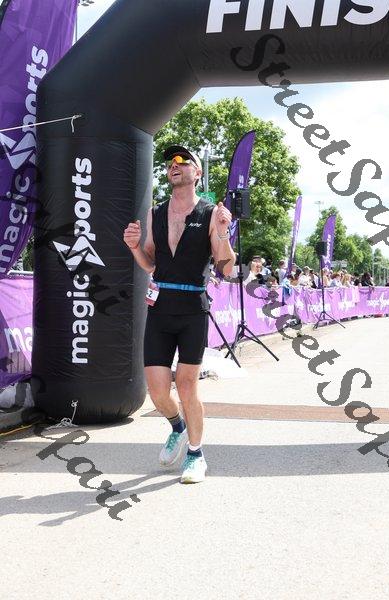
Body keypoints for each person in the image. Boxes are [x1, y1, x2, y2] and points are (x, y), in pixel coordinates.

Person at [123, 145, 235, 484]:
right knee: (157, 393)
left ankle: (196, 455)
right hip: (160, 308)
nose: (176, 164)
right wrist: (134, 247)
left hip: (192, 309)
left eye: (184, 161)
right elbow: (150, 263)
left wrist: (223, 232)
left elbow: (226, 268)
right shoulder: (155, 212)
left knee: (186, 386)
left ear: (197, 173)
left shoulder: (211, 212)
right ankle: (178, 427)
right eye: (171, 161)